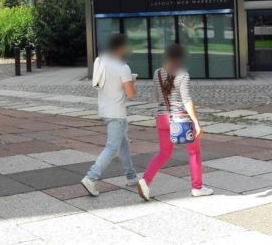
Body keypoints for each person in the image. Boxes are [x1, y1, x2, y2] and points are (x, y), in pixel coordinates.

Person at [137, 43, 213, 201]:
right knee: (194, 152)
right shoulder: (183, 75)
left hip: (162, 118)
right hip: (181, 120)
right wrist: (197, 123)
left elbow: (158, 98)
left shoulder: (157, 73)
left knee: (164, 153)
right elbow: (187, 101)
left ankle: (145, 181)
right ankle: (197, 187)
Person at [81, 33, 138, 196]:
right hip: (116, 113)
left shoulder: (100, 61)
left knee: (123, 144)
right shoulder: (122, 67)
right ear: (121, 47)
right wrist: (133, 82)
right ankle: (91, 177)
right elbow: (131, 94)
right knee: (112, 147)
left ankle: (131, 175)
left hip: (104, 110)